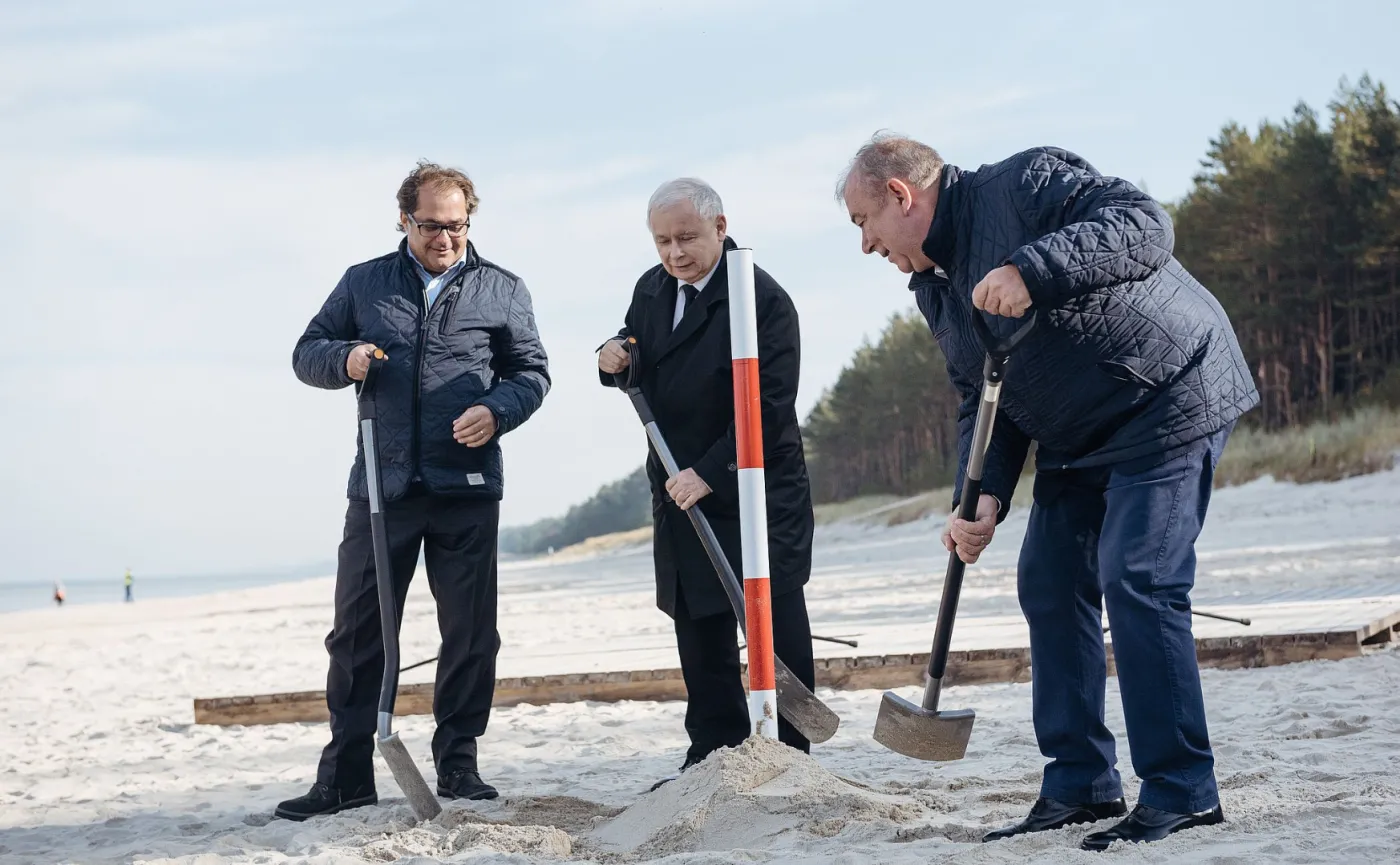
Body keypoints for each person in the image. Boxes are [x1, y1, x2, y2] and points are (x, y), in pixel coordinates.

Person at [836, 134, 1258, 851]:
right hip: (1075, 435)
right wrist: (986, 492)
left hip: (1166, 395)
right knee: (1048, 579)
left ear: (900, 195)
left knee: (1137, 574)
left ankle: (1183, 788)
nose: (866, 245)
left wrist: (1031, 269)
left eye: (863, 224)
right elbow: (983, 390)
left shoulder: (1022, 183)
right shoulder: (933, 287)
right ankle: (1080, 782)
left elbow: (1143, 223)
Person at [278, 160, 550, 821]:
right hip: (382, 485)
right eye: (432, 226)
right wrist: (342, 360)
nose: (446, 240)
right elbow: (306, 351)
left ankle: (458, 765)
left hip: (468, 488)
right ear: (404, 219)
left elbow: (532, 373)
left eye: (457, 226)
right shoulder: (364, 282)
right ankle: (345, 775)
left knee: (471, 635)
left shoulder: (502, 289)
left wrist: (499, 409)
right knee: (358, 635)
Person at [597, 178, 818, 788]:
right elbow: (637, 350)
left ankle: (791, 754)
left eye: (687, 238)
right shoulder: (651, 287)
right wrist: (611, 353)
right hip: (674, 480)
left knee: (772, 617)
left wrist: (712, 472)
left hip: (752, 483)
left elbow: (769, 406)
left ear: (720, 227)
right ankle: (712, 753)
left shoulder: (761, 298)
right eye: (663, 241)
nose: (675, 253)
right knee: (697, 622)